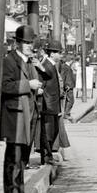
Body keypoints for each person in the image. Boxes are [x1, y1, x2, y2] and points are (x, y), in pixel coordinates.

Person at [0, 25, 40, 193]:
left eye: (31, 42)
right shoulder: (9, 61)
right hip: (15, 117)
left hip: (28, 116)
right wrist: (28, 85)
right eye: (25, 42)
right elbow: (5, 86)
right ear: (17, 43)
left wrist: (36, 88)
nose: (29, 45)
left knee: (22, 159)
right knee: (13, 159)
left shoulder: (29, 62)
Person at [34, 41, 63, 172]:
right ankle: (46, 157)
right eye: (58, 53)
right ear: (52, 53)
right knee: (47, 132)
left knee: (53, 131)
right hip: (48, 104)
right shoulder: (45, 65)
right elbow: (42, 83)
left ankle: (49, 155)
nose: (60, 55)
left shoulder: (50, 65)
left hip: (53, 104)